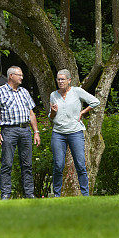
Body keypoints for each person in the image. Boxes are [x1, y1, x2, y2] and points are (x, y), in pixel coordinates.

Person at [0, 66, 41, 199]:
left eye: (22, 75)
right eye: (19, 75)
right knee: (7, 164)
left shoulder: (24, 92)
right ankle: (6, 194)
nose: (22, 77)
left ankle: (29, 194)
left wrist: (36, 131)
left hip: (25, 131)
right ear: (11, 76)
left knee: (27, 164)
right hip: (8, 131)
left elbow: (31, 113)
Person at [48, 69, 100, 197]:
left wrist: (83, 112)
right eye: (58, 79)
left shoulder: (77, 91)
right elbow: (51, 117)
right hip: (58, 133)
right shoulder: (53, 95)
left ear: (69, 80)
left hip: (75, 132)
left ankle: (85, 195)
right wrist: (53, 112)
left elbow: (95, 102)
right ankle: (57, 195)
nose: (60, 81)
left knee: (80, 164)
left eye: (62, 79)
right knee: (58, 165)